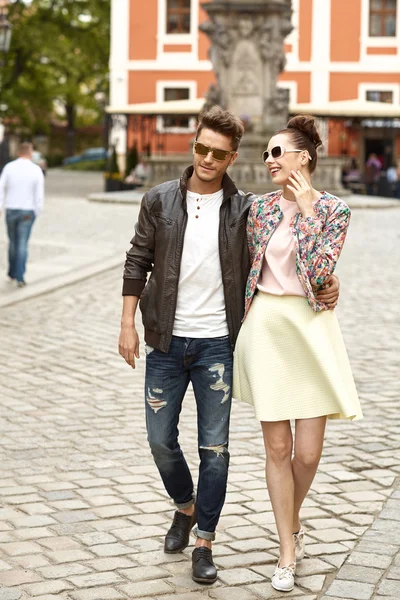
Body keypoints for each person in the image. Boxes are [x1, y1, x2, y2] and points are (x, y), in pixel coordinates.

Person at [118, 107, 340, 585]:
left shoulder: (273, 209)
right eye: (200, 148)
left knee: (226, 450)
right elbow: (138, 258)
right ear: (192, 146)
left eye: (218, 154)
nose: (207, 159)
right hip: (197, 339)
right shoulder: (190, 203)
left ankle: (210, 540)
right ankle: (189, 509)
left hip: (233, 341)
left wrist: (329, 278)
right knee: (162, 441)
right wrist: (128, 323)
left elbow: (307, 265)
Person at [233, 115, 363, 593]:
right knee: (279, 449)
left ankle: (293, 518)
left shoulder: (334, 210)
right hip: (267, 328)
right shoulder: (259, 209)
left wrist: (307, 208)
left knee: (307, 454)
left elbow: (317, 270)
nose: (268, 160)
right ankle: (287, 549)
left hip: (311, 331)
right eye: (265, 153)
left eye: (276, 152)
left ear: (303, 157)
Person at [0, 142, 45, 287]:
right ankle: (20, 276)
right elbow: (39, 194)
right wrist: (38, 210)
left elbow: (1, 188)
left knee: (12, 242)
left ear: (19, 152)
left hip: (11, 209)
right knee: (22, 244)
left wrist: (0, 207)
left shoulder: (9, 167)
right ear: (30, 153)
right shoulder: (36, 169)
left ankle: (12, 272)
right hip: (27, 210)